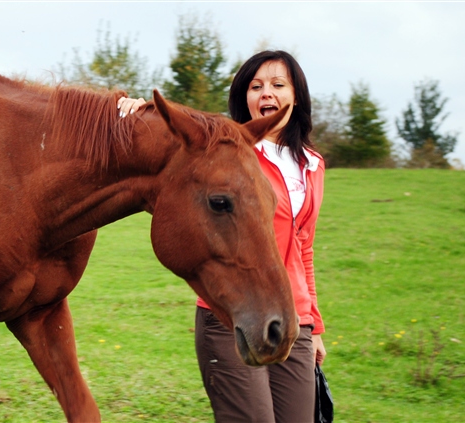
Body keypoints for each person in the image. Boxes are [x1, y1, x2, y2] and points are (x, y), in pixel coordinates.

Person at [118, 50, 326, 422]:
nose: (267, 94)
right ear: (243, 96)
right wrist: (141, 112)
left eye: (279, 85)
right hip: (231, 311)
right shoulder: (225, 151)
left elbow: (303, 246)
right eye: (256, 86)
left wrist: (314, 325)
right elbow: (172, 130)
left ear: (296, 97)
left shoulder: (311, 164)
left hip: (290, 316)